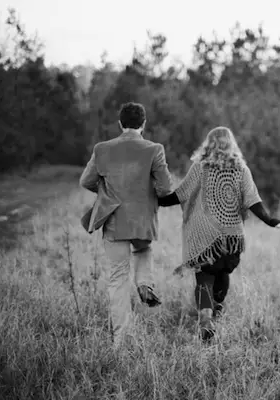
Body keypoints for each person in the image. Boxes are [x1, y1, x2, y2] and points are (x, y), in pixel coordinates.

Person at [158, 126, 280, 341]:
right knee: (222, 273)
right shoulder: (241, 170)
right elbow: (253, 200)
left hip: (202, 237)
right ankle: (215, 311)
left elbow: (180, 195)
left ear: (208, 144)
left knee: (204, 278)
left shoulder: (200, 167)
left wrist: (156, 199)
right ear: (231, 144)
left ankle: (206, 318)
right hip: (230, 238)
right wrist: (270, 220)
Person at [79, 102, 174, 347]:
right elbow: (165, 188)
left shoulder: (102, 149)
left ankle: (121, 339)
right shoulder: (154, 149)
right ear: (144, 124)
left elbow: (86, 181)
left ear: (120, 124)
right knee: (143, 249)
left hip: (114, 222)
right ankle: (144, 283)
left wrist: (106, 192)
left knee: (117, 280)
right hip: (142, 221)